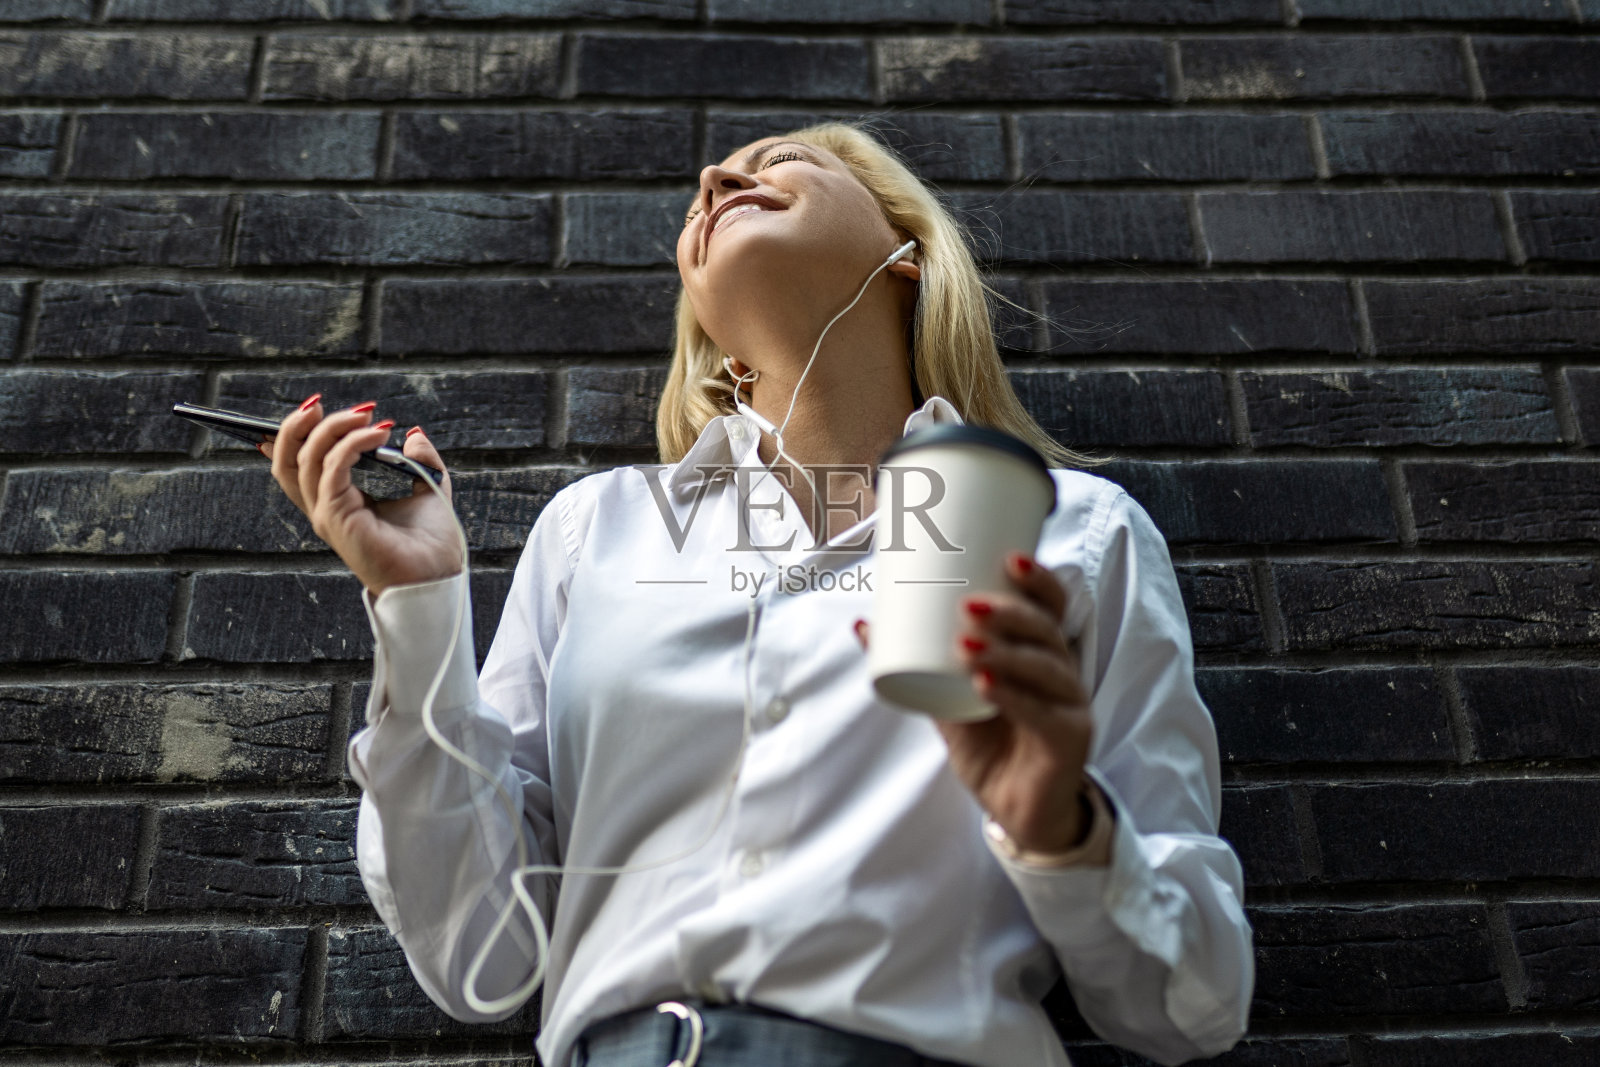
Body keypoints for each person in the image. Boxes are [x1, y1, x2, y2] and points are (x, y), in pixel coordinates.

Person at [264, 123, 1254, 1067]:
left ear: (904, 251)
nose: (715, 182)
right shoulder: (597, 528)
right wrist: (423, 611)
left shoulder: (1072, 530)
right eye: (708, 188)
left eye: (777, 161)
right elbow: (478, 947)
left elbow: (1190, 1000)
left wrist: (1063, 829)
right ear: (710, 325)